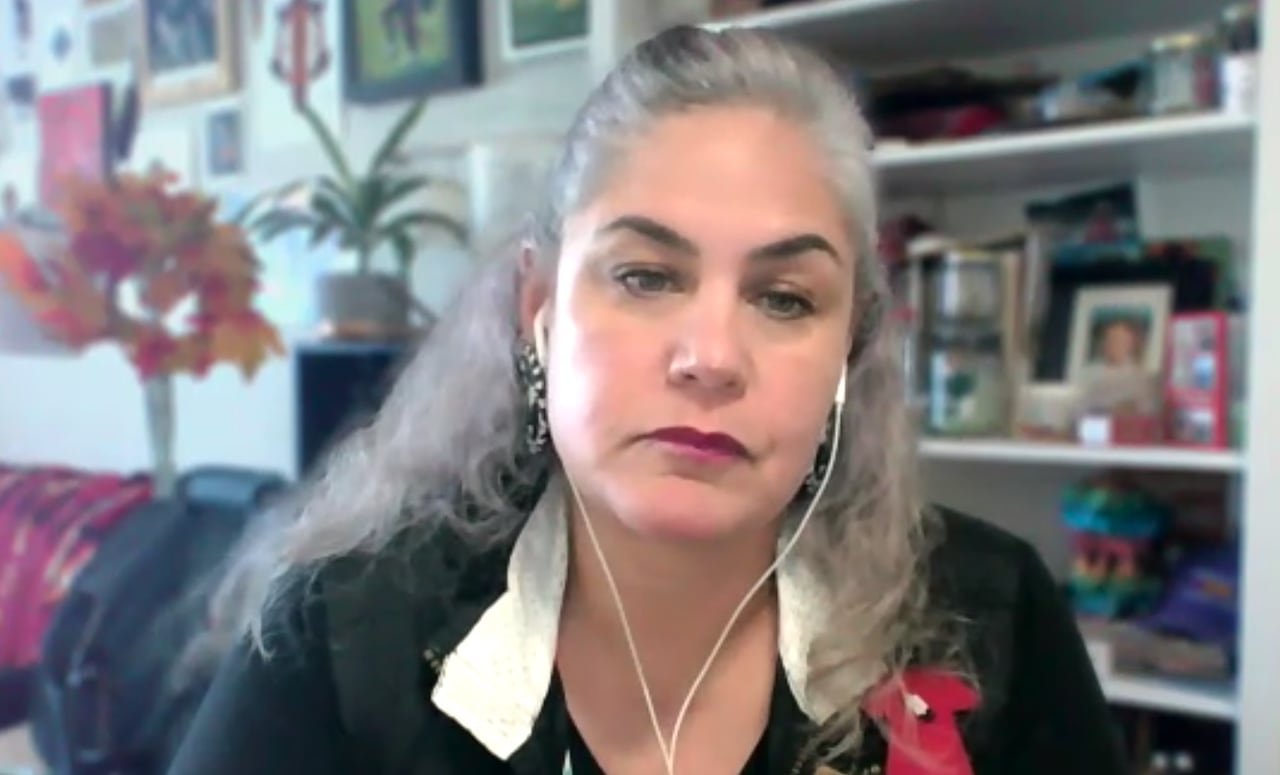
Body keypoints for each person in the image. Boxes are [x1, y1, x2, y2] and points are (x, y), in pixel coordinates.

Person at [168, 25, 1127, 775]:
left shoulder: (990, 618)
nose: (710, 356)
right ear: (540, 310)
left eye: (783, 298)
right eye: (645, 276)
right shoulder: (342, 637)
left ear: (850, 349)